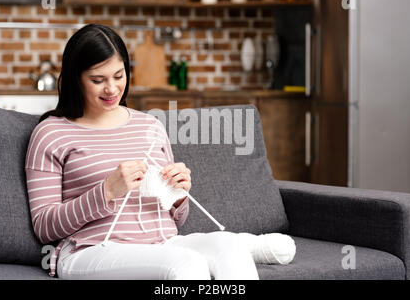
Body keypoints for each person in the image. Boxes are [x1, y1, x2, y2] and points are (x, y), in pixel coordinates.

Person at [25, 23, 259, 280]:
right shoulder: (51, 133)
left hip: (162, 245)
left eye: (118, 75)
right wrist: (106, 191)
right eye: (98, 80)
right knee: (185, 265)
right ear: (75, 79)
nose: (112, 89)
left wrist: (179, 196)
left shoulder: (150, 126)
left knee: (231, 247)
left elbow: (176, 220)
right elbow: (44, 227)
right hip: (90, 250)